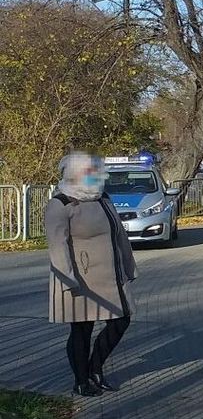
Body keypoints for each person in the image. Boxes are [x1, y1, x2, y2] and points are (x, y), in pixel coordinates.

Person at [45, 152, 137, 397]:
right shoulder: (61, 203)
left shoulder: (102, 198)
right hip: (79, 279)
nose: (96, 177)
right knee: (81, 330)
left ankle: (95, 368)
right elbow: (57, 244)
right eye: (90, 172)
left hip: (110, 277)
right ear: (75, 175)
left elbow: (119, 236)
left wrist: (129, 267)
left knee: (121, 320)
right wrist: (67, 279)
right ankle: (81, 381)